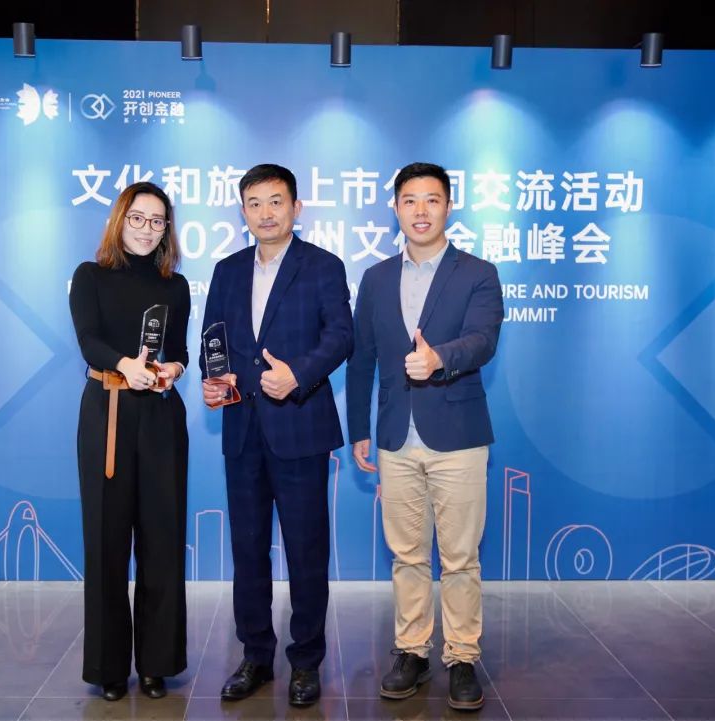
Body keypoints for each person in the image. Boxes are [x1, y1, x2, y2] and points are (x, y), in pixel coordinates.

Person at [346, 162, 504, 712]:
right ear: (395, 207)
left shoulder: (478, 273)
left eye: (432, 200)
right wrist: (359, 430)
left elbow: (483, 339)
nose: (420, 210)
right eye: (409, 200)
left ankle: (462, 657)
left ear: (448, 207)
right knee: (407, 555)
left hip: (458, 435)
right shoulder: (376, 278)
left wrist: (441, 359)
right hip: (395, 436)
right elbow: (362, 359)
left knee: (459, 557)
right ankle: (412, 651)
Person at [199, 164, 353, 707]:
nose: (265, 213)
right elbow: (213, 339)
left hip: (300, 427)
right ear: (243, 211)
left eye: (276, 201)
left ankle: (305, 661)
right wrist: (213, 381)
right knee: (247, 551)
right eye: (255, 203)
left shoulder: (323, 265)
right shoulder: (226, 270)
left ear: (296, 207)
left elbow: (341, 336)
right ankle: (256, 656)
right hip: (242, 430)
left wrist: (298, 375)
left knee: (306, 551)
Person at [69, 181, 190, 702]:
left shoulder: (175, 285)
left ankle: (158, 664)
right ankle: (109, 667)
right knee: (106, 542)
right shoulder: (90, 276)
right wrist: (125, 365)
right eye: (138, 218)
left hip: (160, 416)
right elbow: (88, 340)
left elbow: (180, 349)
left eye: (157, 221)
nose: (147, 229)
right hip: (108, 413)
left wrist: (170, 370)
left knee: (163, 541)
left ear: (167, 229)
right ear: (120, 220)